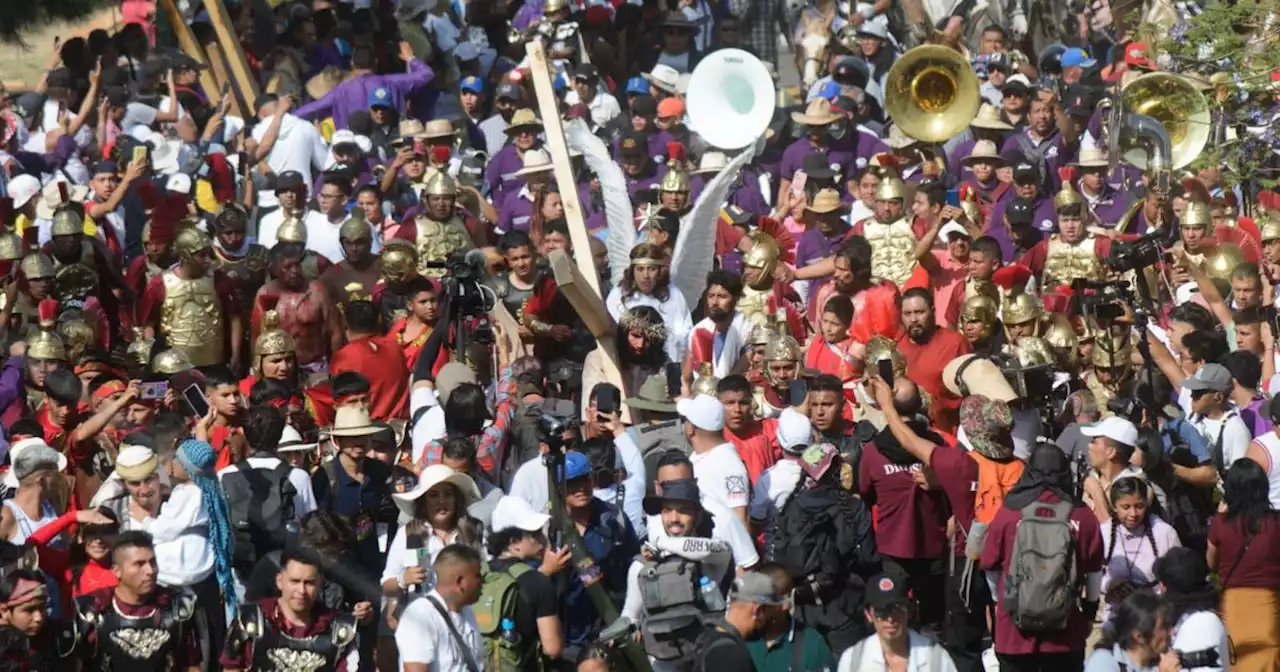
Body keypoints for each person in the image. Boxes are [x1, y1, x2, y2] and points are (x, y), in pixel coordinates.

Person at [75, 531, 202, 671]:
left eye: (153, 562)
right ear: (117, 571)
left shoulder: (176, 609)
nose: (150, 571)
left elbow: (191, 666)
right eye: (139, 564)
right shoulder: (92, 609)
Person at [221, 549, 360, 672]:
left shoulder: (339, 629)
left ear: (319, 584)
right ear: (280, 581)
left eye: (309, 583)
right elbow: (231, 667)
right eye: (294, 581)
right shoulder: (251, 619)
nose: (301, 591)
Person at [1207, 459, 1280, 671]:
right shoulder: (1275, 524)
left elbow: (1211, 562)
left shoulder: (1221, 523)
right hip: (1269, 604)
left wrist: (1220, 517)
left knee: (1236, 659)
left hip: (1234, 604)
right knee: (1268, 659)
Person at [482, 495, 564, 669]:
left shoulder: (478, 574)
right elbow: (553, 648)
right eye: (535, 534)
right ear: (514, 542)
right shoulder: (538, 582)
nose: (543, 539)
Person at [837, 571, 958, 671]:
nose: (890, 619)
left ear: (909, 611)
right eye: (881, 611)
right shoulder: (853, 661)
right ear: (868, 615)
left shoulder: (936, 659)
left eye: (896, 609)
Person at [393, 544, 485, 672]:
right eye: (477, 576)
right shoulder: (420, 616)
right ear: (459, 581)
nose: (483, 581)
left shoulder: (467, 611)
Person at [743, 562, 835, 671]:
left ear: (784, 604)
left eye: (761, 606)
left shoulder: (813, 646)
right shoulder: (740, 639)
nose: (753, 611)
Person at [1083, 590, 1169, 672]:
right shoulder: (1103, 661)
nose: (1170, 632)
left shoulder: (1163, 664)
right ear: (1139, 637)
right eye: (1164, 626)